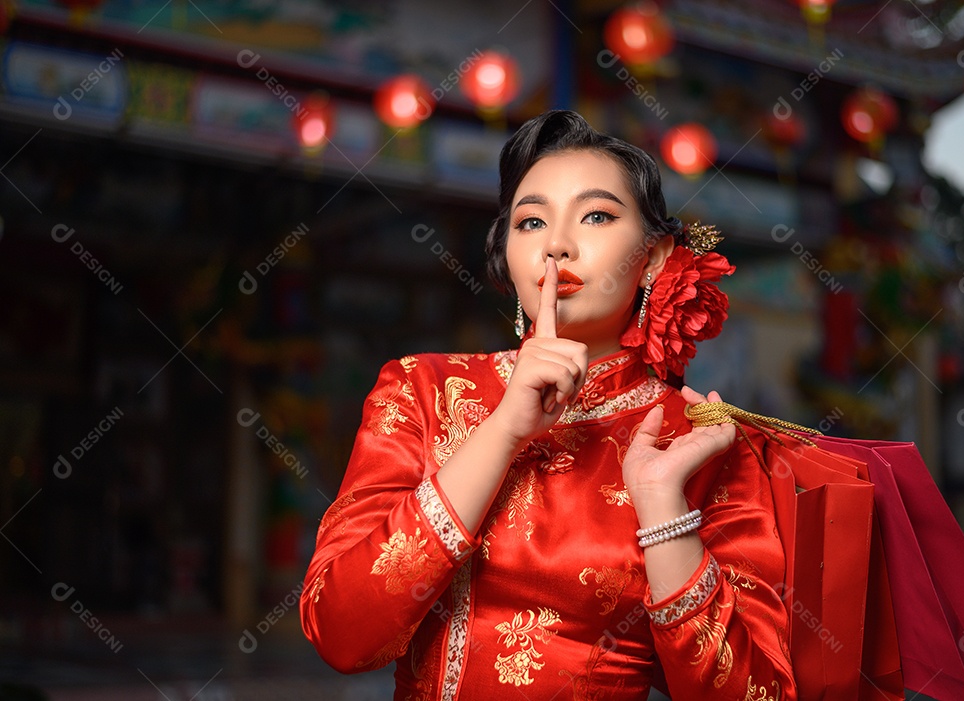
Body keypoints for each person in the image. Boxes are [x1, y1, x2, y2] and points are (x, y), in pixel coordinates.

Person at [300, 110, 796, 700]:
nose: (556, 245)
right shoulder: (423, 389)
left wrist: (665, 517)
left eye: (596, 215)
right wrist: (504, 430)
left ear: (657, 256)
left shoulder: (701, 444)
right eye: (530, 221)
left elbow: (755, 693)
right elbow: (341, 633)